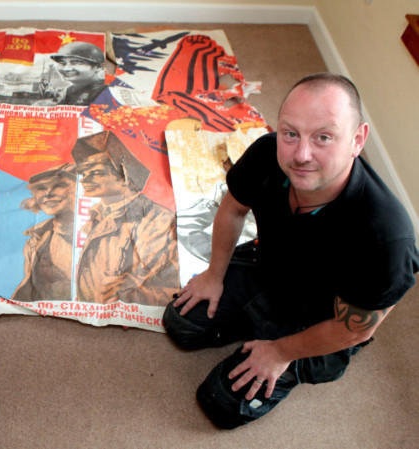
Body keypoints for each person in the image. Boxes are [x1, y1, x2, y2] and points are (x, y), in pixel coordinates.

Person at [163, 73, 419, 429]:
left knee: (221, 402)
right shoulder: (268, 152)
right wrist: (213, 275)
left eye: (324, 137)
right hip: (269, 266)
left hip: (321, 318)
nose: (301, 154)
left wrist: (280, 352)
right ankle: (253, 326)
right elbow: (233, 209)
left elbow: (357, 329)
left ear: (357, 140)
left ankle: (275, 349)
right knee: (180, 324)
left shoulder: (386, 238)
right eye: (291, 133)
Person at [72, 131, 179, 305]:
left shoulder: (157, 221)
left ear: (125, 177)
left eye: (97, 172)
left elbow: (169, 287)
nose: (85, 180)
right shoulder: (99, 216)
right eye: (83, 173)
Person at [12, 164, 77, 301]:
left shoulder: (100, 229)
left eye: (58, 185)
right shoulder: (36, 238)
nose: (48, 194)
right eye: (41, 188)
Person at [50, 41, 108, 106]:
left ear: (98, 67)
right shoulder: (70, 90)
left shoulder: (106, 91)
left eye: (76, 63)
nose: (65, 69)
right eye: (62, 63)